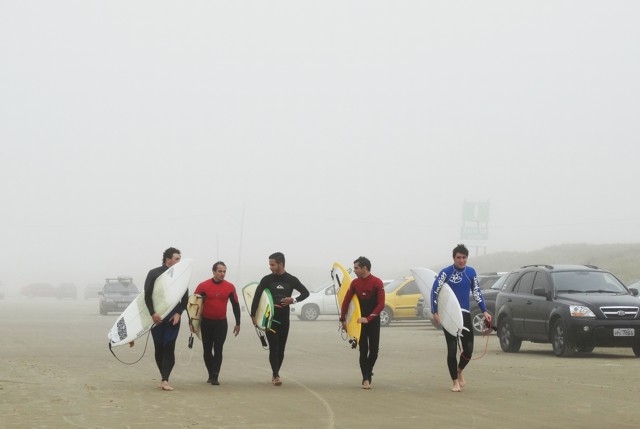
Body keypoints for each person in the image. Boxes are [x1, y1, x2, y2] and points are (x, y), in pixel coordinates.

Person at [431, 243, 492, 392]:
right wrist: (435, 311)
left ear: (467, 258)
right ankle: (454, 382)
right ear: (454, 258)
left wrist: (484, 311)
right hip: (449, 315)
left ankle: (459, 371)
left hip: (464, 314)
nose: (461, 260)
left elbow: (477, 292)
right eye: (458, 257)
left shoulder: (470, 272)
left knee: (469, 349)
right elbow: (434, 290)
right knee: (452, 349)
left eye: (464, 257)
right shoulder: (446, 272)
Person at [250, 252, 309, 386]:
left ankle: (275, 372)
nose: (270, 267)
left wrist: (293, 300)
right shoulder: (267, 279)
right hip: (270, 318)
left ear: (280, 264)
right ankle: (276, 375)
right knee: (273, 347)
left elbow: (306, 293)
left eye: (272, 264)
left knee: (281, 349)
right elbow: (257, 296)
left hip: (284, 318)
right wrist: (253, 315)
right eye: (270, 264)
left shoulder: (291, 279)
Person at [144, 247, 188, 391]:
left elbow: (185, 298)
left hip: (172, 318)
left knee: (169, 346)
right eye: (177, 258)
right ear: (168, 259)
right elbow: (147, 295)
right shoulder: (154, 273)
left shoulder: (181, 275)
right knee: (159, 348)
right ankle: (163, 377)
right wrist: (152, 313)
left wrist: (179, 313)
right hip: (157, 316)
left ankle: (165, 379)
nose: (179, 261)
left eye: (180, 259)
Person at [339, 256, 385, 390]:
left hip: (373, 320)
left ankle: (368, 370)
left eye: (356, 268)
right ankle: (365, 378)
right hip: (359, 322)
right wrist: (343, 320)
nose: (354, 270)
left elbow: (381, 304)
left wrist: (369, 318)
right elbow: (346, 302)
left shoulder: (377, 282)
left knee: (374, 351)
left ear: (364, 268)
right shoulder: (355, 283)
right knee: (363, 350)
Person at [193, 261, 241, 386]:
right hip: (206, 322)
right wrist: (192, 322)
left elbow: (236, 305)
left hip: (221, 322)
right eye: (220, 271)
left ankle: (215, 376)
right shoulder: (203, 286)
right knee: (207, 350)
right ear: (213, 271)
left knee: (218, 349)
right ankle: (210, 373)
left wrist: (238, 323)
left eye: (224, 271)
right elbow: (193, 306)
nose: (222, 274)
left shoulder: (229, 287)